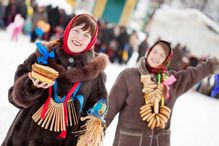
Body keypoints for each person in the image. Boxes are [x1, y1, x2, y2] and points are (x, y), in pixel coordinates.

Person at [2, 14, 108, 146]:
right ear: (68, 30)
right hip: (23, 139)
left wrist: (94, 123)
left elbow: (98, 112)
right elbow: (13, 97)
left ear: (91, 41)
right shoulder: (42, 56)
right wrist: (32, 86)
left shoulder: (95, 73)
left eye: (86, 36)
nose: (79, 38)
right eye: (76, 31)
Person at [105, 40, 219, 146]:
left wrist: (214, 64)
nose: (156, 57)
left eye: (162, 55)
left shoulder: (171, 81)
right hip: (130, 141)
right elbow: (110, 108)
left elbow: (194, 74)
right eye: (155, 52)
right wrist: (92, 132)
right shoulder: (128, 76)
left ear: (166, 60)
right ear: (148, 52)